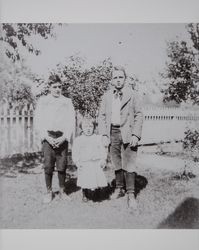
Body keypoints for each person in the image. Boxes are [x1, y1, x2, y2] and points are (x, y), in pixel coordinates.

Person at [98, 66, 143, 209]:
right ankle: (119, 188)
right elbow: (102, 116)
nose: (118, 80)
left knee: (129, 163)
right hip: (112, 132)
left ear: (125, 79)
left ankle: (131, 194)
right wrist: (104, 134)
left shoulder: (133, 95)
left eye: (120, 77)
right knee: (116, 162)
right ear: (111, 80)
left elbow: (139, 115)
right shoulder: (107, 96)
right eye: (115, 77)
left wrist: (136, 134)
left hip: (128, 132)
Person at [34, 74, 76, 204]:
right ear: (49, 87)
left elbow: (71, 121)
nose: (57, 89)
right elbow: (38, 121)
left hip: (62, 137)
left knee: (62, 166)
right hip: (48, 138)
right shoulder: (43, 101)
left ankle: (62, 191)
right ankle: (49, 192)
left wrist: (65, 137)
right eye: (54, 87)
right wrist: (46, 137)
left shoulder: (67, 102)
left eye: (59, 86)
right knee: (48, 166)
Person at [72, 117, 108, 202]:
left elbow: (102, 150)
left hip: (96, 162)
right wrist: (77, 162)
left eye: (90, 127)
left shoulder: (98, 138)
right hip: (84, 163)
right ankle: (85, 193)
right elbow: (75, 152)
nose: (88, 129)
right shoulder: (78, 140)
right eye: (85, 127)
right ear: (81, 128)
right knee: (85, 179)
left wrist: (103, 159)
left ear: (94, 127)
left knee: (97, 178)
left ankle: (97, 192)